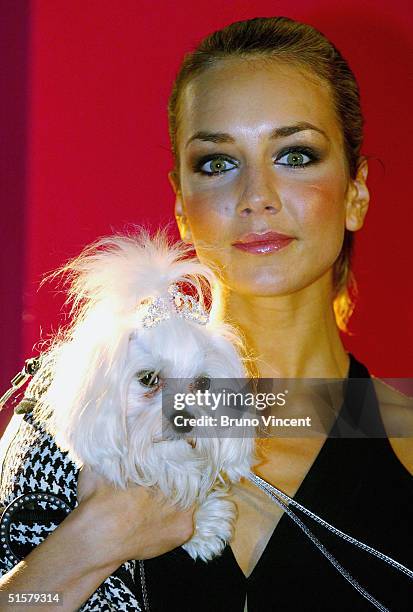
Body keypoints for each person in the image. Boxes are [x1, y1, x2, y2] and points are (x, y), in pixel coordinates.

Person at [0, 15, 412, 612]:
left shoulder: (398, 435)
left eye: (295, 155)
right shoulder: (81, 414)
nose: (256, 196)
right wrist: (91, 541)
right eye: (218, 163)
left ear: (356, 192)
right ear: (183, 206)